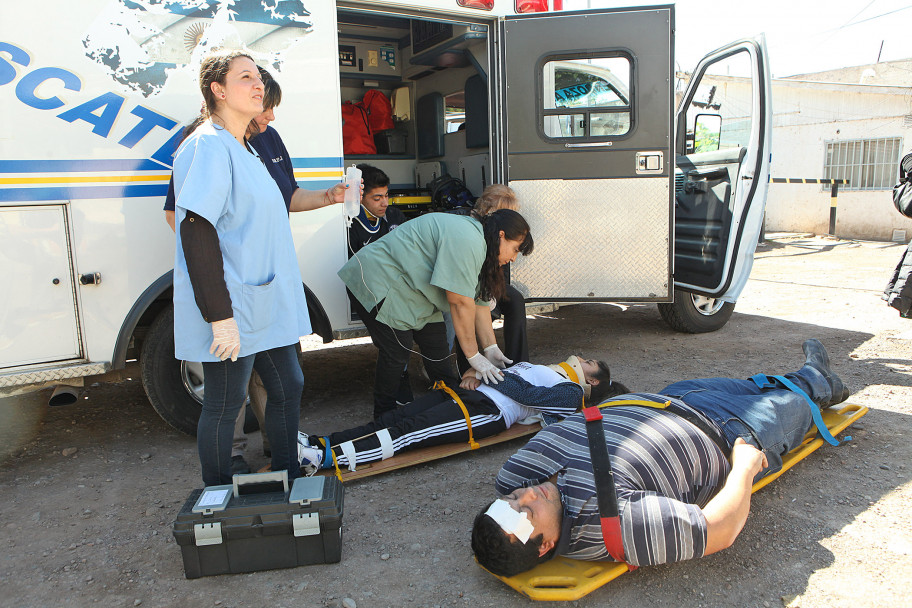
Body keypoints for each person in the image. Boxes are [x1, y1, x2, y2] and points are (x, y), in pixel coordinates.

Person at [471, 339, 851, 576]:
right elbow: (719, 530)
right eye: (527, 513)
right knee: (797, 400)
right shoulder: (612, 528)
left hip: (672, 396)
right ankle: (817, 378)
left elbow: (516, 494)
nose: (527, 495)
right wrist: (745, 468)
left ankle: (801, 379)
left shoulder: (515, 475)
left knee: (752, 385)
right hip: (729, 432)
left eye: (511, 500)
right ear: (546, 546)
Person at [164, 66, 350, 476]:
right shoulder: (206, 146)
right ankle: (218, 497)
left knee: (289, 386)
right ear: (218, 90)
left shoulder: (246, 147)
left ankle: (286, 474)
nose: (257, 86)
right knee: (226, 402)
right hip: (234, 304)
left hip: (264, 299)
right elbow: (194, 230)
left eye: (258, 80)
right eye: (245, 78)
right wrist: (220, 316)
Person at [338, 208, 534, 419]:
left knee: (438, 350)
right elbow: (459, 302)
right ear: (502, 235)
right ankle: (384, 416)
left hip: (414, 290)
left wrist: (491, 347)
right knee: (396, 352)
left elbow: (479, 302)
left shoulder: (485, 248)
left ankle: (452, 407)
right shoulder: (469, 239)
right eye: (515, 250)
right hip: (378, 278)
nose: (514, 258)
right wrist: (473, 355)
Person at [296, 356, 629, 474]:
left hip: (488, 412)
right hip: (470, 395)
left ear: (593, 380)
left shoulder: (571, 394)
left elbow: (526, 394)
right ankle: (319, 442)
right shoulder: (549, 370)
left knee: (406, 433)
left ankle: (324, 459)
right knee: (391, 421)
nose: (582, 358)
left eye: (589, 362)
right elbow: (501, 369)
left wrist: (489, 370)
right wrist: (476, 369)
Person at [447, 184, 529, 370]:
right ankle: (467, 367)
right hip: (465, 284)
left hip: (488, 284)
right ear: (489, 211)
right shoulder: (472, 230)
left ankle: (519, 365)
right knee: (466, 307)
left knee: (514, 298)